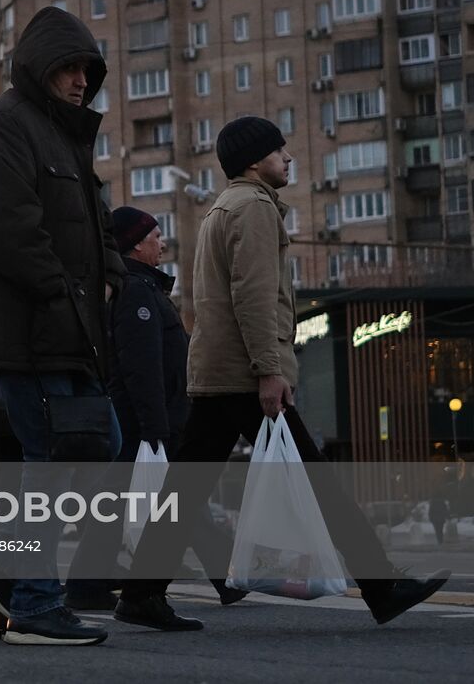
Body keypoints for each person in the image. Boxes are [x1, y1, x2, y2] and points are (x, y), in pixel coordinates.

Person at [114, 116, 449, 631]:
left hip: (220, 369)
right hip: (244, 373)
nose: (288, 157)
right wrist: (269, 370)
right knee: (315, 478)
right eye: (278, 150)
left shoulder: (226, 207)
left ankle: (140, 594)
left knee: (185, 490)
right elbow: (253, 295)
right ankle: (381, 585)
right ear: (254, 161)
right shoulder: (252, 208)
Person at [0, 6, 125, 646]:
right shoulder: (4, 127)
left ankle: (6, 586)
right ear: (39, 67)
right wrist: (64, 293)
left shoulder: (67, 136)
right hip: (26, 333)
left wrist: (111, 276)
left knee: (78, 452)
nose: (80, 80)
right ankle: (32, 601)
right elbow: (5, 229)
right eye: (68, 67)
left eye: (87, 69)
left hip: (69, 331)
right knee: (54, 462)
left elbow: (97, 224)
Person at [64, 208, 238, 612]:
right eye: (157, 236)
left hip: (150, 417)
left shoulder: (142, 289)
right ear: (137, 244)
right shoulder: (138, 293)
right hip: (147, 419)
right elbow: (141, 366)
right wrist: (155, 426)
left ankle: (88, 584)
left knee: (148, 500)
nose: (163, 243)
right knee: (169, 499)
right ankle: (224, 576)